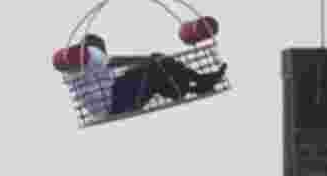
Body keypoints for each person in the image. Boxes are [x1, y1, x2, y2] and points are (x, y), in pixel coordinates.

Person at [53, 33, 227, 122]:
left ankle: (197, 84)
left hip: (108, 102)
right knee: (156, 65)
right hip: (115, 104)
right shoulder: (92, 56)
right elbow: (114, 61)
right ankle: (197, 84)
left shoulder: (74, 68)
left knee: (155, 68)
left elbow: (114, 67)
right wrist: (148, 60)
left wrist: (146, 61)